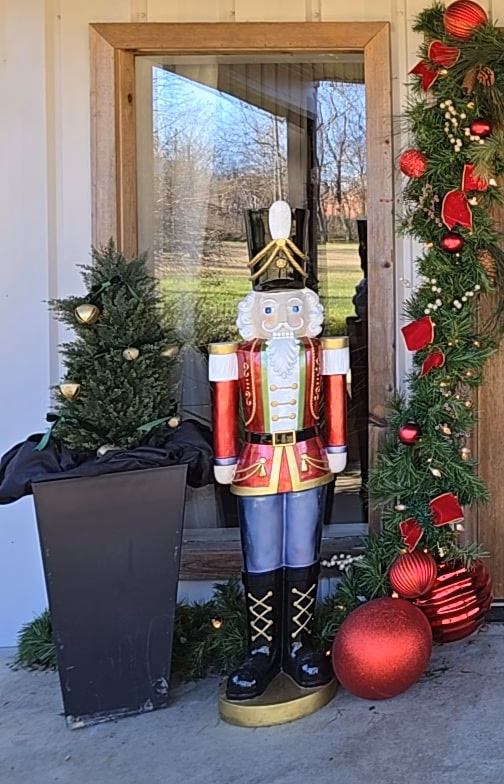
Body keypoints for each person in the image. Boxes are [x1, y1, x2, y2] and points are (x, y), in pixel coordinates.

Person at [209, 201, 348, 702]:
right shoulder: (235, 358)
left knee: (302, 549)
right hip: (257, 461)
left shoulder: (322, 351)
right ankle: (262, 648)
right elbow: (224, 407)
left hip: (307, 457)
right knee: (262, 551)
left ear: (307, 311)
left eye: (293, 309)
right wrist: (224, 458)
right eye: (271, 310)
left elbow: (335, 398)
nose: (282, 319)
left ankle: (300, 643)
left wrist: (336, 446)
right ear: (254, 314)